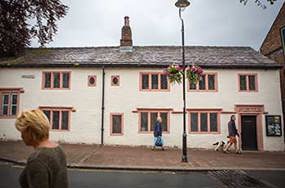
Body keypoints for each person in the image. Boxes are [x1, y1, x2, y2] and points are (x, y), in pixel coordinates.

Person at [15, 109, 68, 188]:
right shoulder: (58, 149)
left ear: (30, 131)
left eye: (22, 131)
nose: (21, 136)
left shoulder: (37, 159)